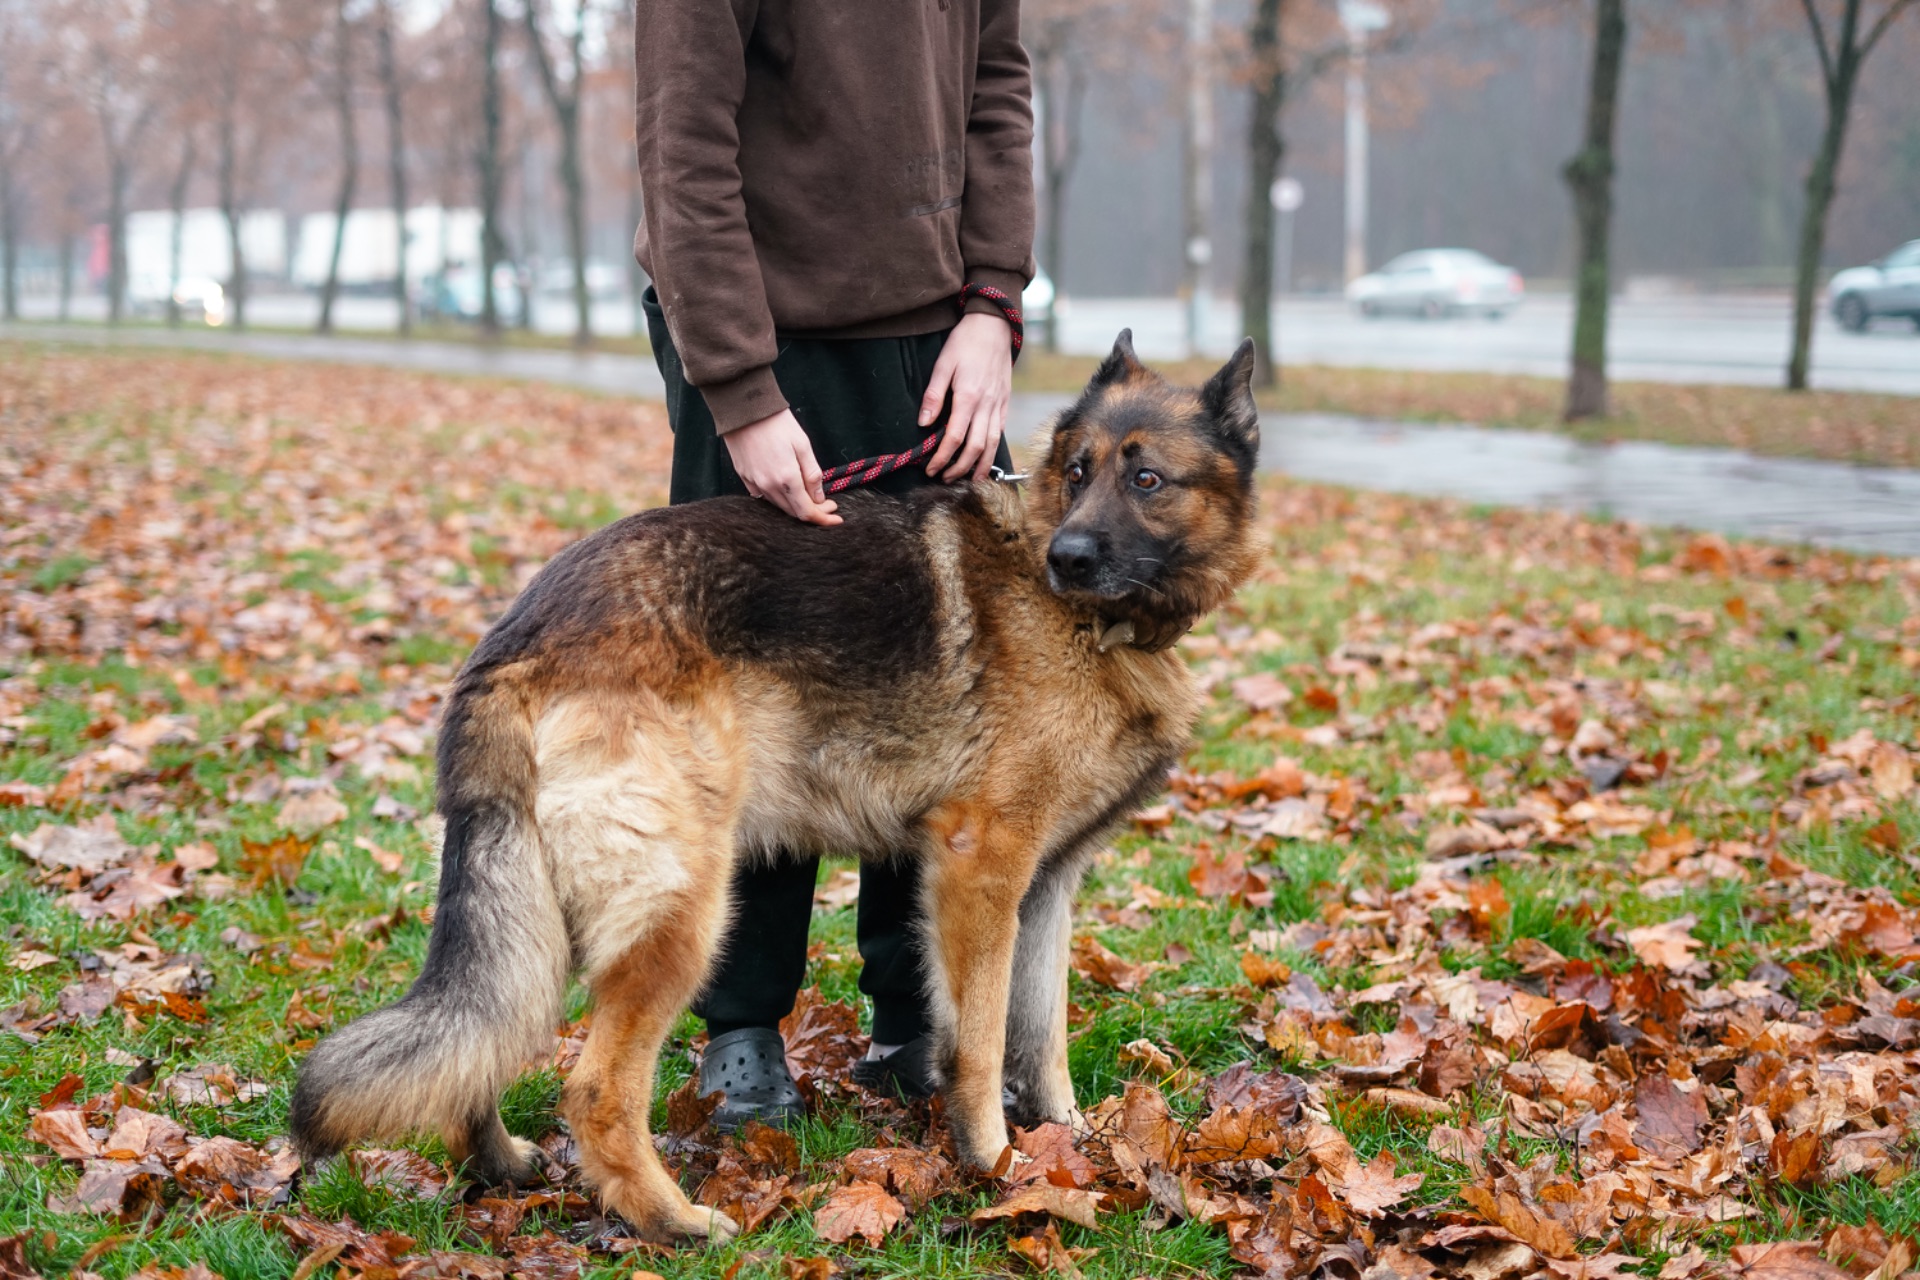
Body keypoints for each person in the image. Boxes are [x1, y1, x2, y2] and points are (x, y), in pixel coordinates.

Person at [632, 0, 1035, 1129]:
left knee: (947, 686)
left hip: (941, 335)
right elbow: (684, 147)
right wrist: (744, 392)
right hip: (767, 337)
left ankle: (920, 1019)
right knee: (757, 696)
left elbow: (998, 90)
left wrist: (996, 302)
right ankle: (742, 1029)